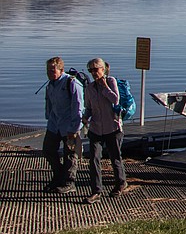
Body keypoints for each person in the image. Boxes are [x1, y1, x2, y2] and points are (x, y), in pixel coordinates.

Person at [83, 58, 128, 203]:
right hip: (96, 128)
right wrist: (85, 118)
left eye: (96, 69)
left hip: (112, 127)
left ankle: (120, 183)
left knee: (115, 158)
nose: (93, 73)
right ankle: (96, 191)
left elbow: (115, 100)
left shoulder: (111, 82)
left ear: (103, 69)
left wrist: (104, 87)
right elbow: (89, 107)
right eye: (90, 70)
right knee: (94, 158)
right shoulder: (89, 88)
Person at [42, 56, 84, 194]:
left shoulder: (71, 83)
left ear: (61, 70)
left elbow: (78, 107)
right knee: (48, 150)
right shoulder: (50, 84)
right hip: (54, 124)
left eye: (52, 70)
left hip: (70, 125)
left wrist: (75, 128)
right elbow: (49, 103)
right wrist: (48, 117)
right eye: (48, 70)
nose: (49, 73)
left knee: (70, 155)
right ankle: (59, 177)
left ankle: (69, 182)